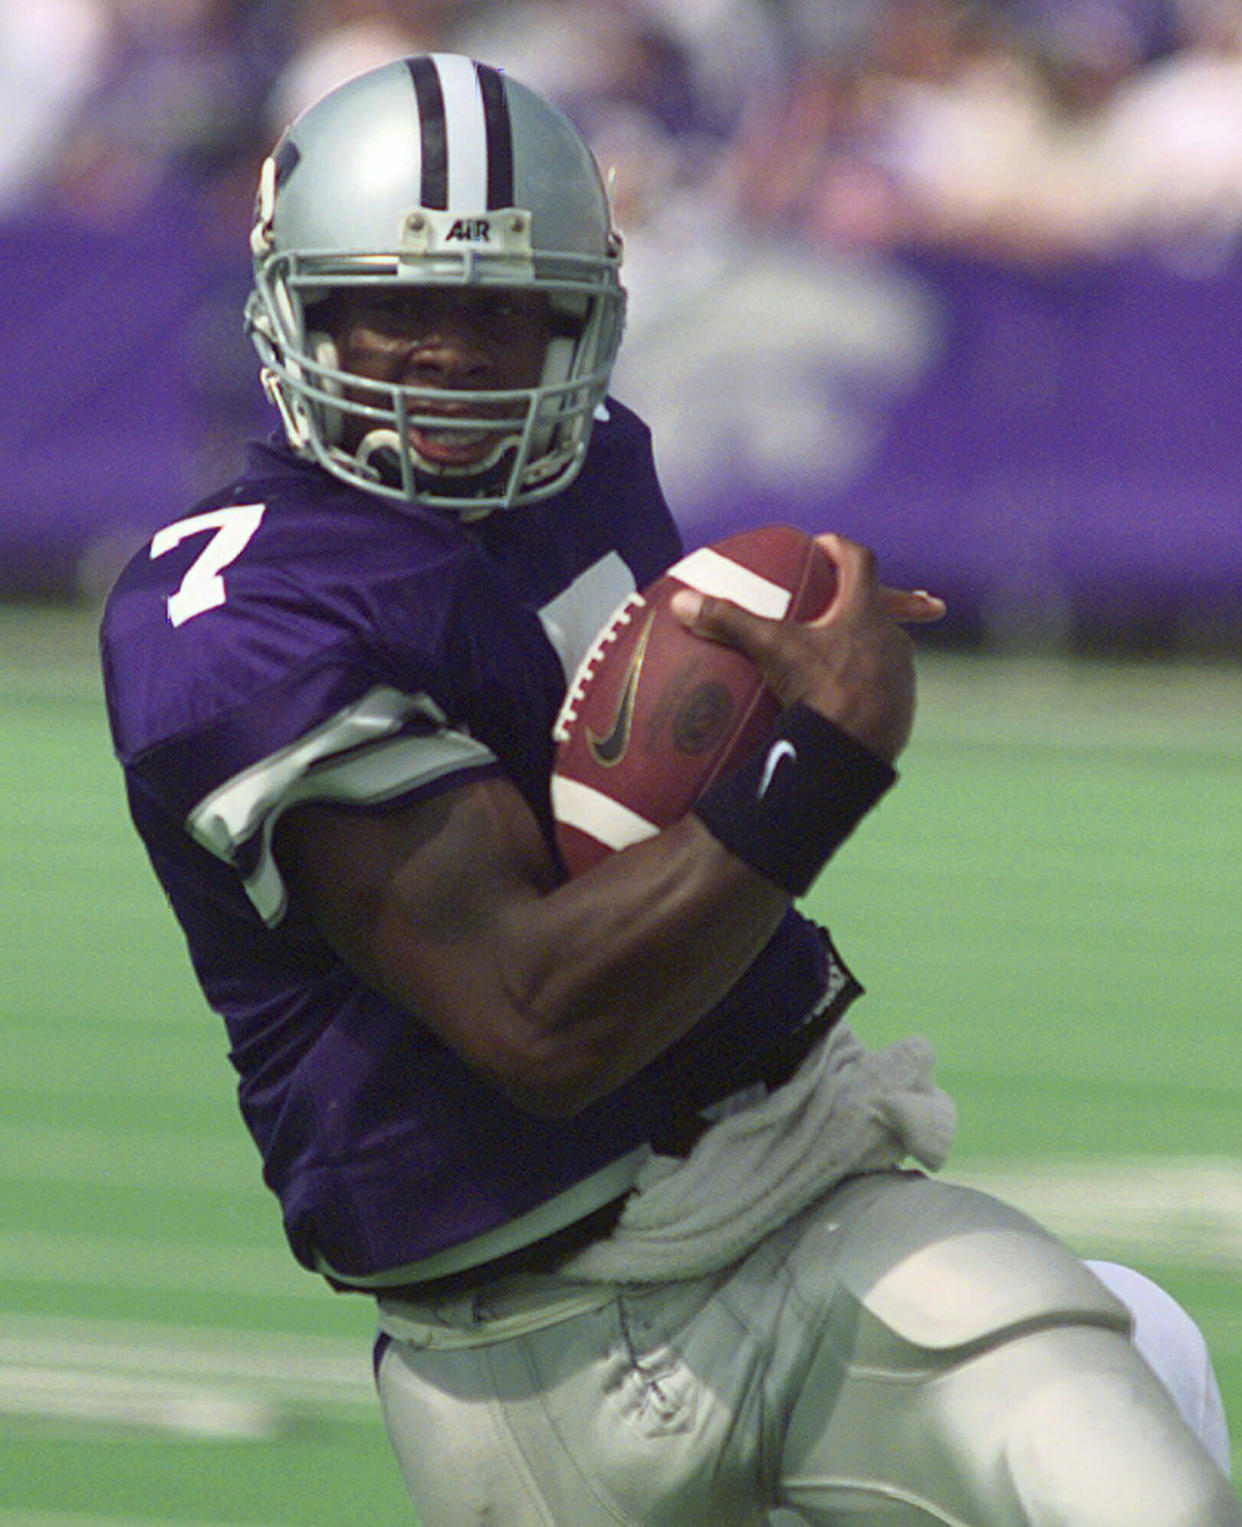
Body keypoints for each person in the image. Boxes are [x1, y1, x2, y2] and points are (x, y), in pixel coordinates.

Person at [100, 53, 1238, 1525]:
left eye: (507, 313)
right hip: (534, 1355)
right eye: (397, 304)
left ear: (592, 315)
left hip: (800, 1203)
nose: (449, 354)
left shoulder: (596, 464)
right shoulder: (239, 613)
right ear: (291, 304)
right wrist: (818, 759)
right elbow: (533, 1019)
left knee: (1126, 1406)